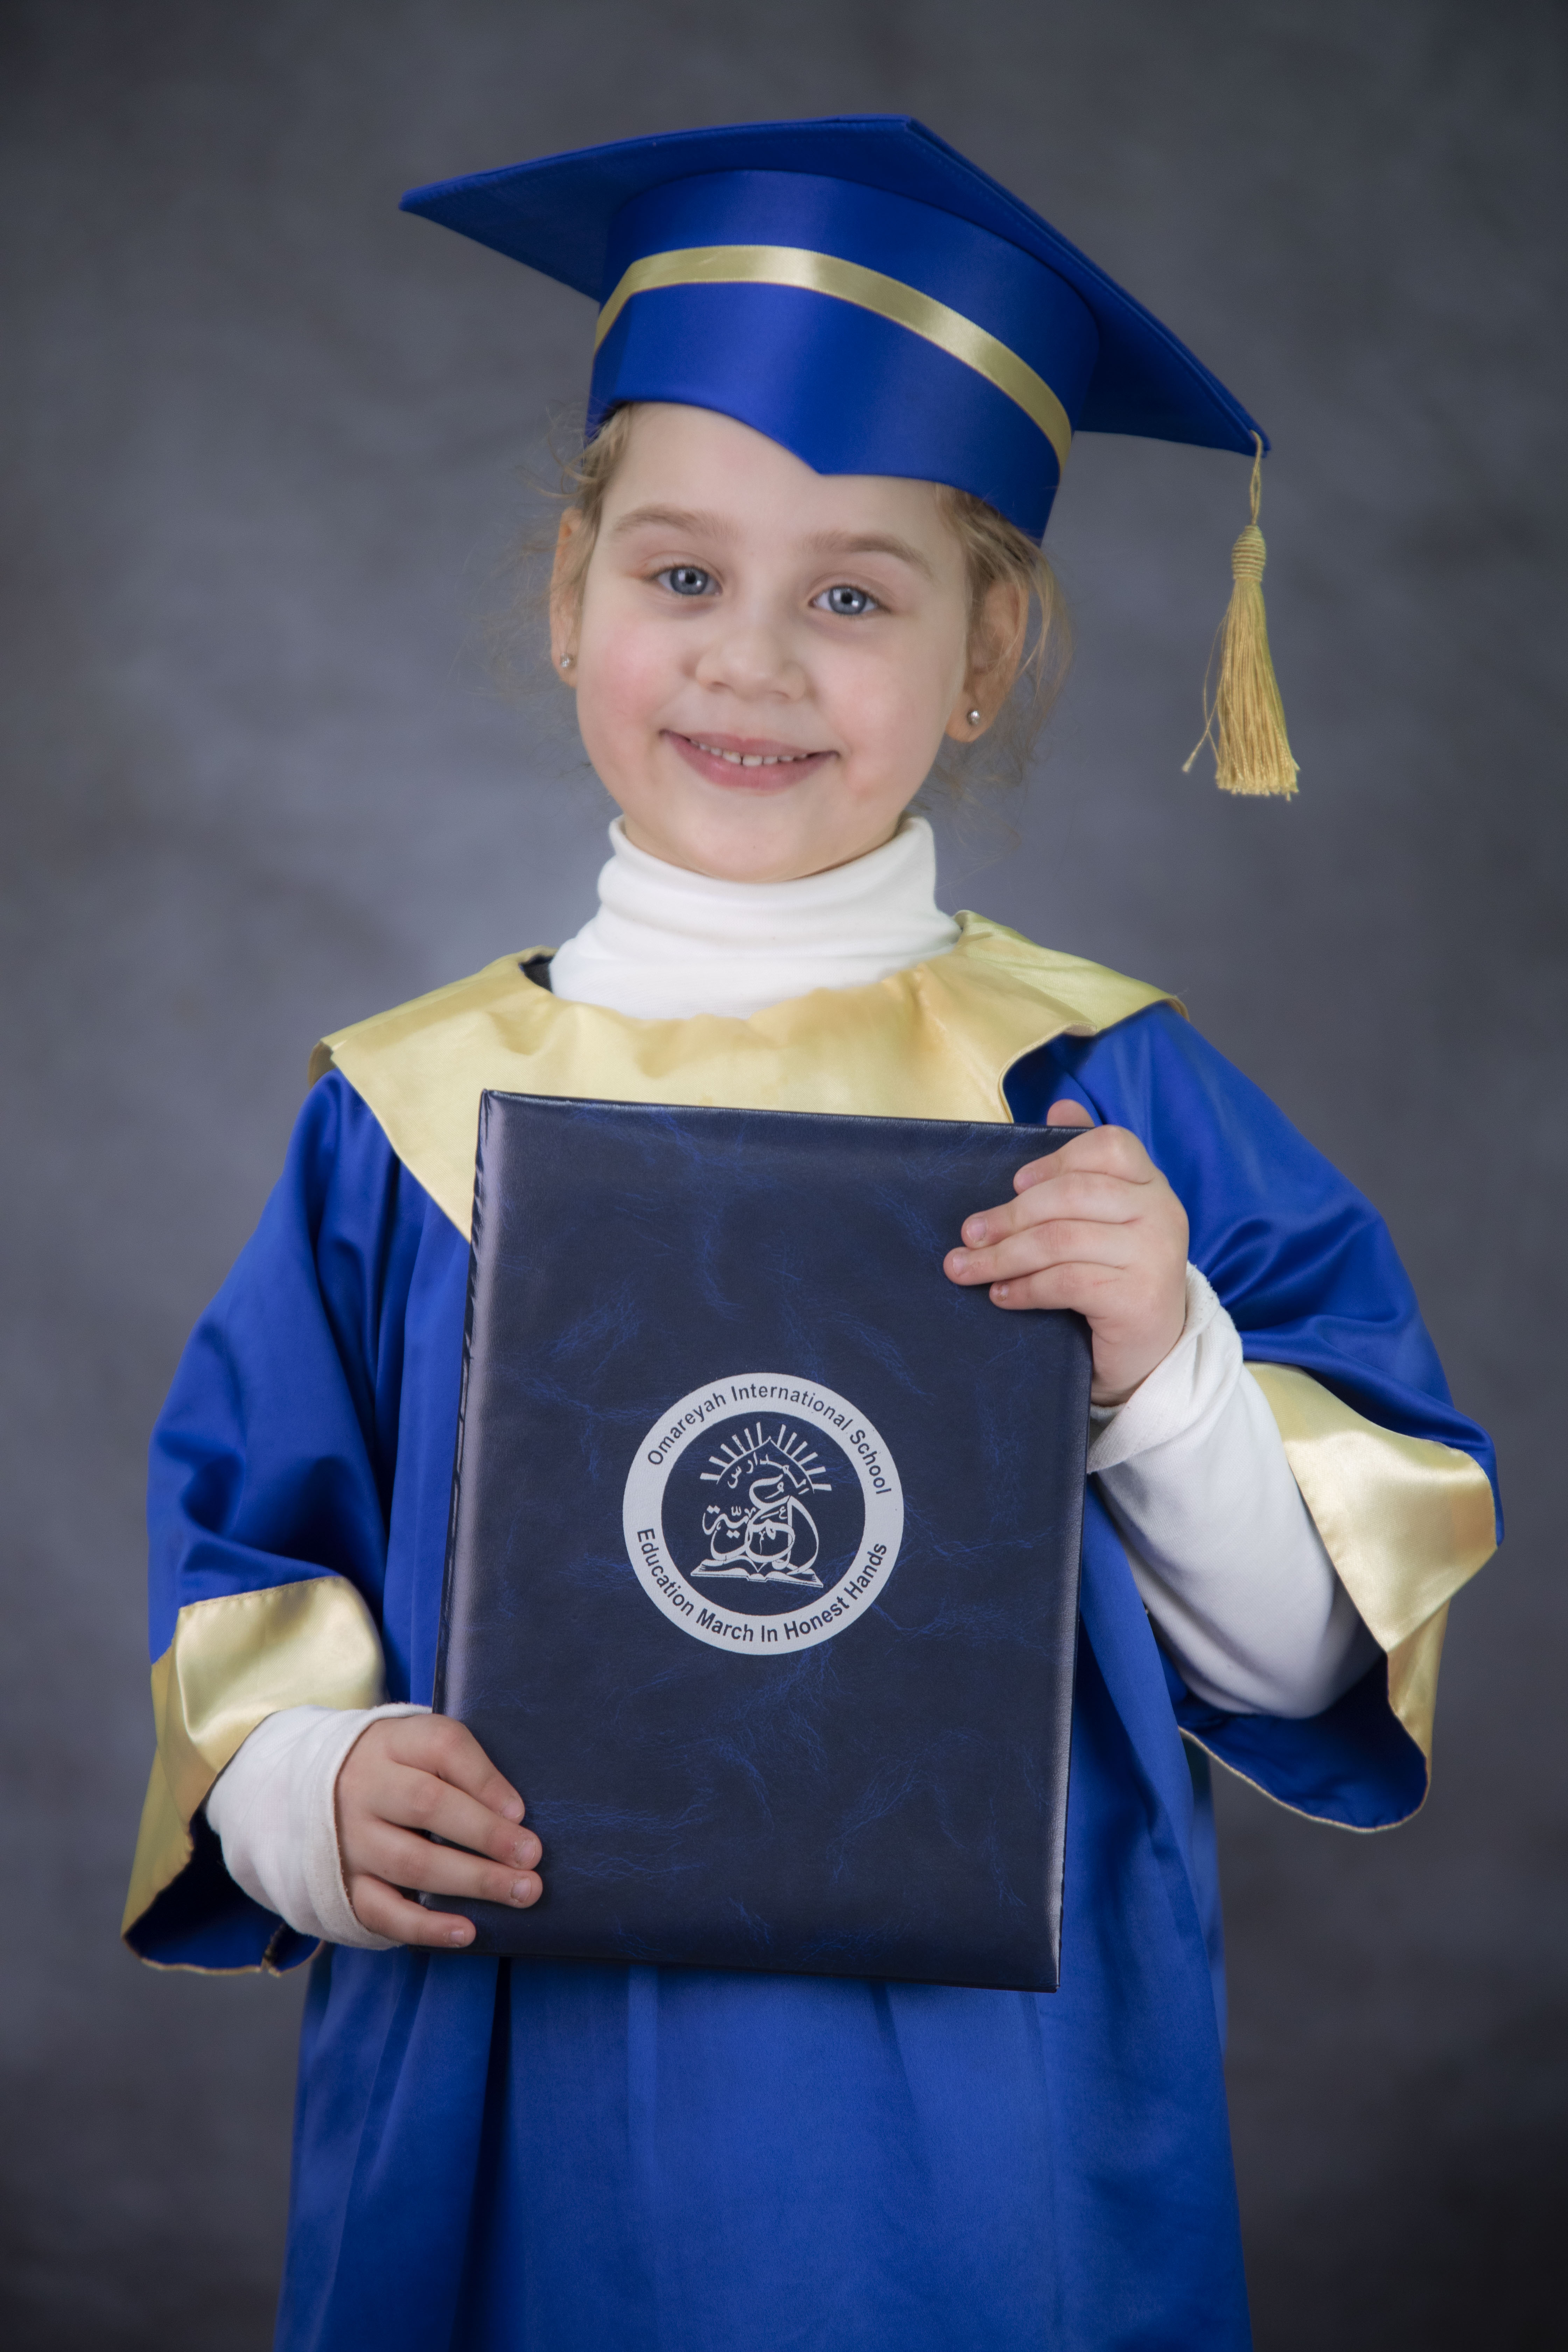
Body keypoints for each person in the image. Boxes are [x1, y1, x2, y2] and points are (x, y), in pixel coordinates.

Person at [122, 117, 1499, 2351]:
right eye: (680, 577)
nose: (750, 662)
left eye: (853, 596)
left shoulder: (1106, 1105)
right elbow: (249, 1571)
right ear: (571, 595)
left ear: (985, 654)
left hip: (975, 2118)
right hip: (508, 2078)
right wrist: (308, 1788)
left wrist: (1163, 1373)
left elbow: (1304, 1664)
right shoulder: (400, 1121)